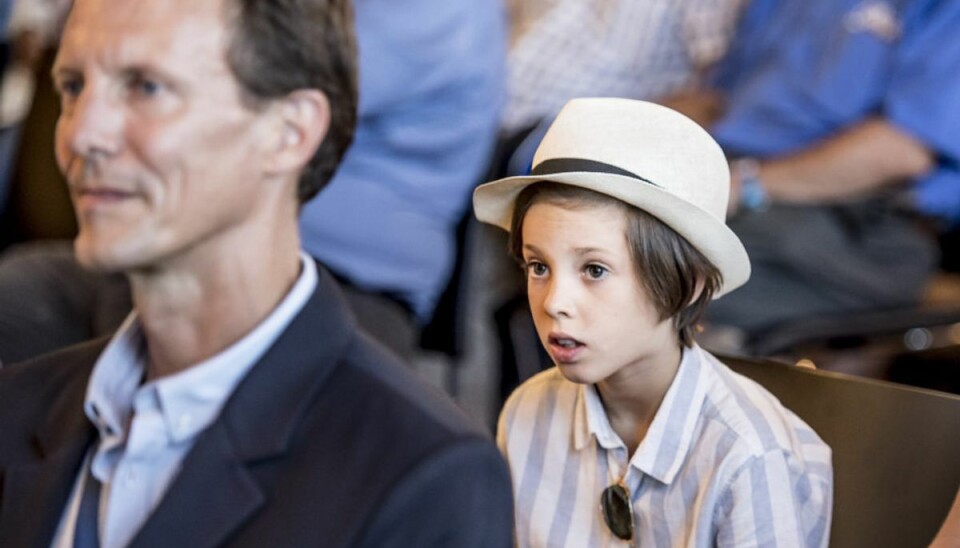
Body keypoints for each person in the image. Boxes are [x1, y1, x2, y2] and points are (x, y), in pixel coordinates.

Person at [0, 0, 513, 546]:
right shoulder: (14, 403)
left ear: (290, 132)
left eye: (146, 87)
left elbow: (312, 64)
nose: (80, 134)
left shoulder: (426, 480)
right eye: (73, 86)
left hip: (359, 275)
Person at [474, 98, 833, 546]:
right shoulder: (528, 413)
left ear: (691, 283)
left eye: (595, 270)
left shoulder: (750, 455)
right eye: (538, 266)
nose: (555, 303)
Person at [695, 0, 960, 339]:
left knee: (663, 270)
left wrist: (743, 183)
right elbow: (719, 99)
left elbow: (903, 151)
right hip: (740, 176)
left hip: (858, 219)